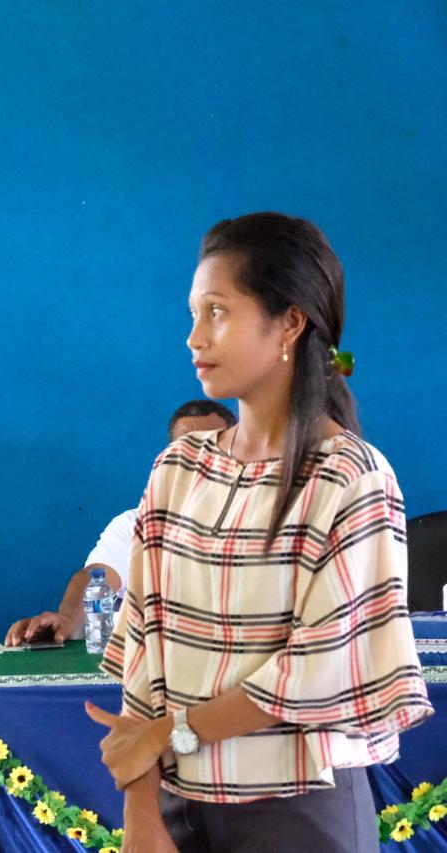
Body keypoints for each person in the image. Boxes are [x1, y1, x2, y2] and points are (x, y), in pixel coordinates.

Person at [85, 212, 431, 852]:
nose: (194, 337)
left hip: (299, 809)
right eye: (192, 313)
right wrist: (141, 811)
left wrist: (170, 734)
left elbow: (318, 669)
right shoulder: (177, 470)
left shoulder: (351, 478)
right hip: (173, 805)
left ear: (290, 323)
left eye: (216, 311)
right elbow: (144, 650)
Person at [3, 400, 234, 646]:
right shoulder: (136, 524)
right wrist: (67, 618)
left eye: (212, 447)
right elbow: (97, 577)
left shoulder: (271, 523)